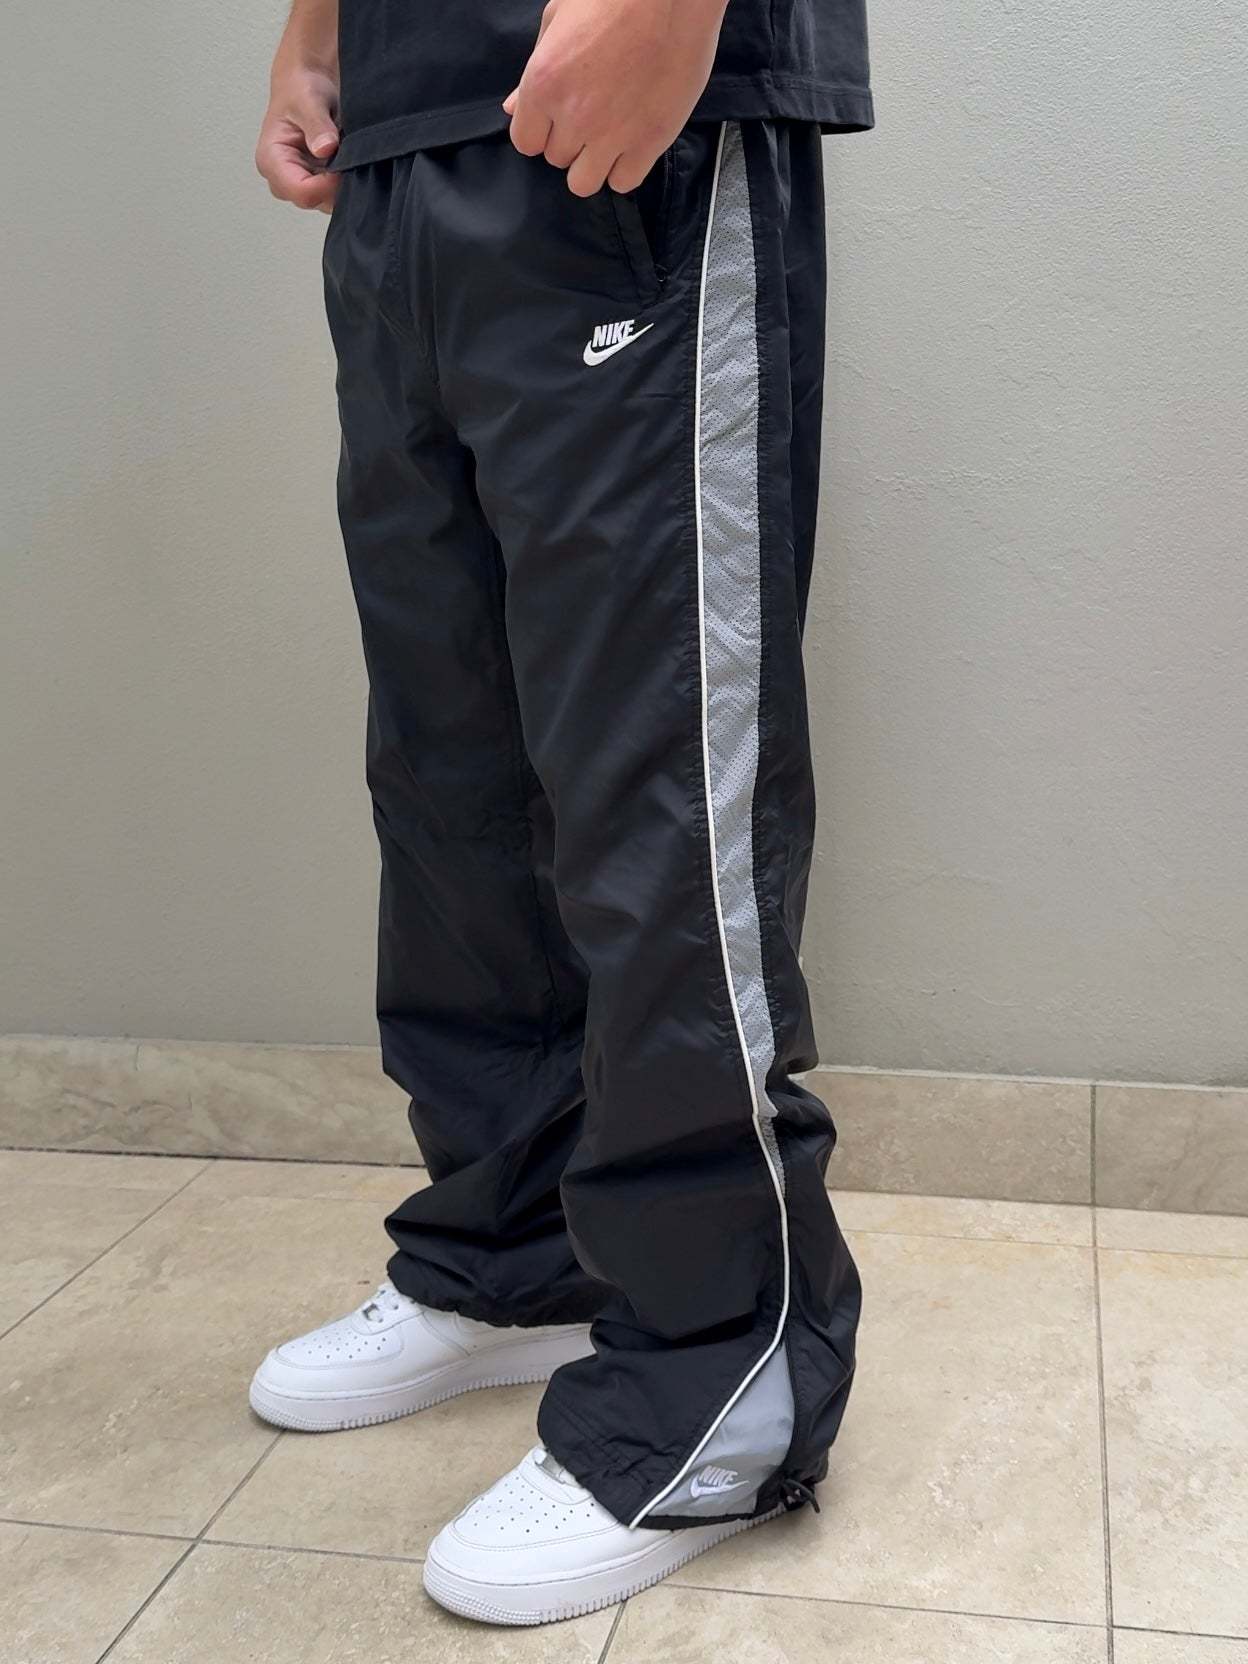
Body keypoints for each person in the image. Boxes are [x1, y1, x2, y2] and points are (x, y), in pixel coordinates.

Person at [252, 0, 871, 1627]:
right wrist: (319, 28)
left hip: (621, 96)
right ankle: (511, 1248)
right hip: (410, 130)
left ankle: (719, 1372)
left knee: (656, 770)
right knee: (451, 772)